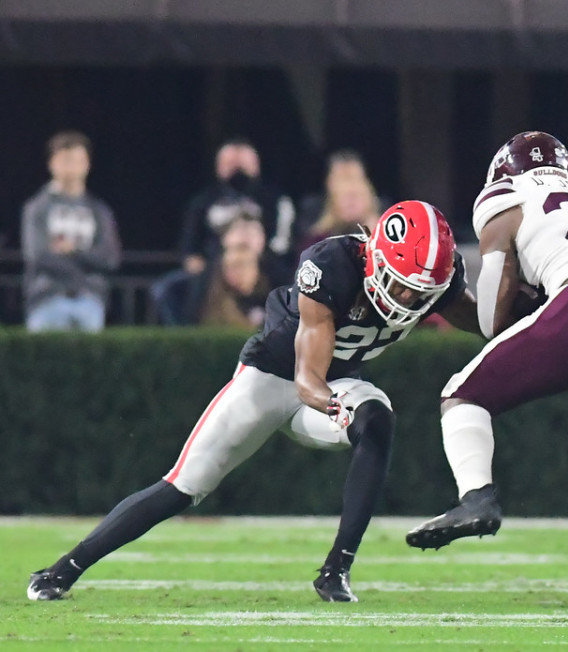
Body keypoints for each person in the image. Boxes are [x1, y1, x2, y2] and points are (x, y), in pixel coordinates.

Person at [27, 201, 479, 603]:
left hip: (340, 383)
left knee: (378, 420)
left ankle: (335, 570)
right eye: (402, 286)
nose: (409, 300)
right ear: (376, 258)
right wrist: (333, 405)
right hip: (274, 380)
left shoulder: (437, 282)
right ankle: (64, 568)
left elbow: (487, 322)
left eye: (422, 293)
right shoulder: (331, 264)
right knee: (182, 485)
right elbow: (307, 379)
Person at [404, 132, 568, 608]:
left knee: (463, 395)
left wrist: (454, 295)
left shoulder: (506, 196)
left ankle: (476, 497)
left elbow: (489, 320)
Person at [21, 131, 122, 332]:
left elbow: (110, 257)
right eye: (66, 160)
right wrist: (82, 271)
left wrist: (73, 251)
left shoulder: (99, 210)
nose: (72, 167)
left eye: (77, 160)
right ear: (52, 163)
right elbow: (38, 255)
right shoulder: (37, 208)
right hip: (47, 299)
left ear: (87, 165)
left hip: (90, 301)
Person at [179, 138, 295, 274]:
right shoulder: (202, 202)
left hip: (265, 272)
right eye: (230, 164)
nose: (237, 171)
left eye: (243, 165)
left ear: (256, 166)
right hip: (212, 273)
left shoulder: (277, 201)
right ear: (218, 167)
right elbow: (190, 247)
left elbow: (282, 245)